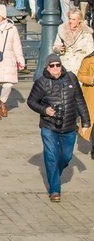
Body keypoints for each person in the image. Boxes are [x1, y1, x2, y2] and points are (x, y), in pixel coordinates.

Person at [27, 54, 91, 202]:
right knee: (51, 157)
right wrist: (44, 110)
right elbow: (31, 101)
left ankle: (55, 173)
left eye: (58, 65)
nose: (55, 68)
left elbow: (79, 100)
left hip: (69, 126)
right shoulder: (41, 82)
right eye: (52, 66)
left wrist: (86, 122)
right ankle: (55, 190)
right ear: (47, 67)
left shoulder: (71, 78)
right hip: (49, 126)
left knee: (66, 157)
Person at [52, 7, 94, 74]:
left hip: (80, 65)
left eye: (74, 19)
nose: (70, 21)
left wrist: (81, 56)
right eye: (69, 18)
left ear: (79, 20)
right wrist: (59, 49)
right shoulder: (62, 30)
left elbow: (90, 51)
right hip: (66, 64)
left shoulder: (86, 32)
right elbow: (55, 46)